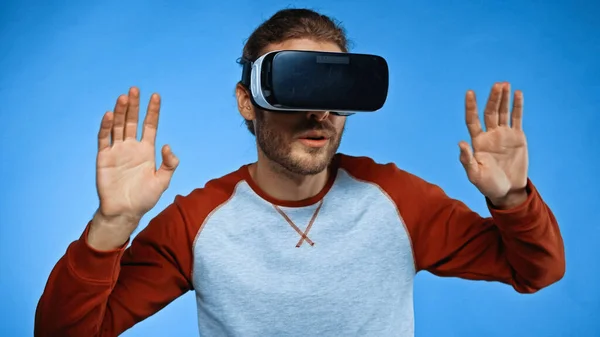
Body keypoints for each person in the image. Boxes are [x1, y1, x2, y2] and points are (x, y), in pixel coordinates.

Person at [34, 8, 565, 337]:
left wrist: (514, 198)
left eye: (334, 94)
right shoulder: (195, 223)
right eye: (298, 89)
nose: (320, 114)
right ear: (248, 102)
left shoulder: (399, 200)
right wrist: (112, 224)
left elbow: (535, 271)